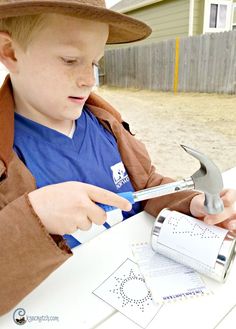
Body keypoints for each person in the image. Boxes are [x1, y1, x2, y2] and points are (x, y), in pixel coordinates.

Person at [0, 0, 235, 316]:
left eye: (95, 63)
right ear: (10, 52)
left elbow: (147, 184)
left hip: (142, 297)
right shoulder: (6, 157)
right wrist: (35, 217)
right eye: (70, 60)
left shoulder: (106, 125)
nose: (89, 79)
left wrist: (190, 203)